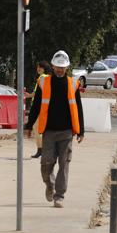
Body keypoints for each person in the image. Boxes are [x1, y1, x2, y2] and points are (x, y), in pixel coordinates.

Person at [25, 51, 85, 208]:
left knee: (64, 164)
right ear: (52, 66)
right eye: (57, 67)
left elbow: (78, 108)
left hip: (67, 131)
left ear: (67, 68)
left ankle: (59, 195)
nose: (60, 70)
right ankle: (50, 185)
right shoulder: (44, 83)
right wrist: (29, 125)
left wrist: (81, 131)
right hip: (49, 131)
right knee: (46, 164)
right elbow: (36, 105)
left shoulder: (73, 84)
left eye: (62, 67)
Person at [25, 61, 51, 158]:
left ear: (45, 68)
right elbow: (37, 93)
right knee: (38, 128)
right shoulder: (43, 78)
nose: (38, 68)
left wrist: (30, 96)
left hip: (41, 107)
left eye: (40, 67)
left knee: (37, 128)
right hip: (41, 106)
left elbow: (39, 94)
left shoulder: (42, 77)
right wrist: (30, 95)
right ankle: (41, 149)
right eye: (38, 67)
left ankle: (41, 149)